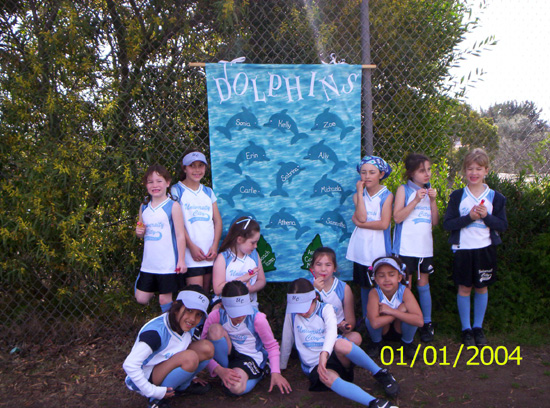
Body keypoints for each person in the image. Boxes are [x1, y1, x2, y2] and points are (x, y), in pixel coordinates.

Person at [280, 278, 400, 408]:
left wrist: (324, 354)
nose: (302, 312)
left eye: (305, 307)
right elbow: (287, 338)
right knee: (327, 377)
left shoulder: (326, 309)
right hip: (315, 365)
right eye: (298, 308)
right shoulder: (292, 314)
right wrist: (280, 367)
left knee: (341, 343)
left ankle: (380, 373)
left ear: (315, 298)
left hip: (335, 356)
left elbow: (332, 332)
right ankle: (375, 403)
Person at [443, 148, 507, 346]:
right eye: (470, 168)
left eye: (479, 169)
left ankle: (478, 328)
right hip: (463, 249)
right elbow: (448, 224)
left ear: (486, 170)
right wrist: (469, 217)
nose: (474, 173)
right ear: (464, 170)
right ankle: (466, 329)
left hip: (485, 249)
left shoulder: (496, 197)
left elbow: (502, 225)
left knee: (481, 287)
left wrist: (486, 216)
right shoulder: (457, 196)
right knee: (464, 288)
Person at [123, 286, 214, 408]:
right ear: (176, 307)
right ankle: (156, 400)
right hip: (146, 376)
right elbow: (130, 364)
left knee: (207, 348)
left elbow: (178, 349)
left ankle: (183, 386)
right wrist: (153, 391)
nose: (192, 319)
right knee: (189, 357)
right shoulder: (156, 332)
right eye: (189, 310)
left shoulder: (186, 325)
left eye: (198, 314)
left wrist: (190, 376)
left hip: (165, 364)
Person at [202, 281, 292, 396]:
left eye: (243, 310)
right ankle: (226, 372)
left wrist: (276, 372)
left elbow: (271, 345)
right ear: (224, 306)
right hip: (229, 352)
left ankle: (261, 371)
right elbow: (202, 347)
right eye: (235, 312)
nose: (240, 316)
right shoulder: (215, 315)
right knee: (214, 330)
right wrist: (219, 370)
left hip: (249, 357)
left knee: (235, 388)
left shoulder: (257, 318)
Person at [392, 153, 439, 342]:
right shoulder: (403, 190)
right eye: (421, 170)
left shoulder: (430, 192)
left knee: (424, 285)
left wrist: (433, 201)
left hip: (424, 249)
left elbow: (434, 222)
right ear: (411, 173)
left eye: (428, 169)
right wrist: (415, 200)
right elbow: (397, 217)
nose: (427, 174)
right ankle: (404, 324)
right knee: (406, 286)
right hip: (405, 249)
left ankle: (427, 323)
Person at [346, 156, 394, 318]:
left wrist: (361, 225)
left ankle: (381, 320)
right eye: (363, 172)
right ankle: (368, 320)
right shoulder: (357, 196)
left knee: (380, 286)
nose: (367, 176)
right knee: (365, 287)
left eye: (372, 172)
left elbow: (383, 224)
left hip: (378, 250)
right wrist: (360, 194)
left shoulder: (387, 195)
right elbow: (362, 216)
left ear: (381, 174)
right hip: (362, 250)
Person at [135, 164, 187, 312]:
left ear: (167, 183)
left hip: (167, 264)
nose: (155, 185)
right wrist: (139, 232)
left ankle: (169, 322)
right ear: (146, 185)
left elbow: (180, 235)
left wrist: (181, 260)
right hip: (149, 263)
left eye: (159, 181)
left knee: (164, 299)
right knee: (141, 298)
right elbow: (141, 232)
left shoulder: (173, 206)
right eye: (150, 182)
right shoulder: (144, 207)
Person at [171, 151, 222, 293]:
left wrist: (214, 246)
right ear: (184, 168)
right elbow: (177, 223)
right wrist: (191, 246)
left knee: (205, 293)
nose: (197, 170)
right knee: (195, 294)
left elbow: (217, 221)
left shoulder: (208, 191)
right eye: (192, 166)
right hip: (191, 254)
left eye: (201, 165)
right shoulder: (177, 190)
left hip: (209, 253)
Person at [365, 256, 424, 359]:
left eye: (391, 275)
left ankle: (407, 343)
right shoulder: (374, 293)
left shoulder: (405, 291)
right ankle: (376, 343)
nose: (387, 279)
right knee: (368, 318)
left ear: (399, 277)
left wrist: (392, 312)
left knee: (411, 316)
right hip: (383, 329)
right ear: (376, 279)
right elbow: (374, 323)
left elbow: (419, 321)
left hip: (400, 328)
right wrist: (397, 312)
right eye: (381, 276)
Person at [309, 247, 362, 346]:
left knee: (355, 337)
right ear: (312, 267)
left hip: (337, 334)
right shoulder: (306, 286)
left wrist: (345, 326)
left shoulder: (344, 288)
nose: (323, 269)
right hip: (313, 332)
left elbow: (351, 322)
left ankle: (337, 353)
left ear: (334, 268)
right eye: (318, 264)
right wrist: (314, 291)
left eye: (328, 265)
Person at [212, 216, 266, 308]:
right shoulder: (223, 258)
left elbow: (262, 280)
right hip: (227, 305)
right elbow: (217, 289)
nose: (256, 246)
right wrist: (242, 279)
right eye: (252, 243)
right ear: (239, 239)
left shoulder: (254, 255)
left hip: (249, 304)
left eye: (257, 242)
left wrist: (252, 288)